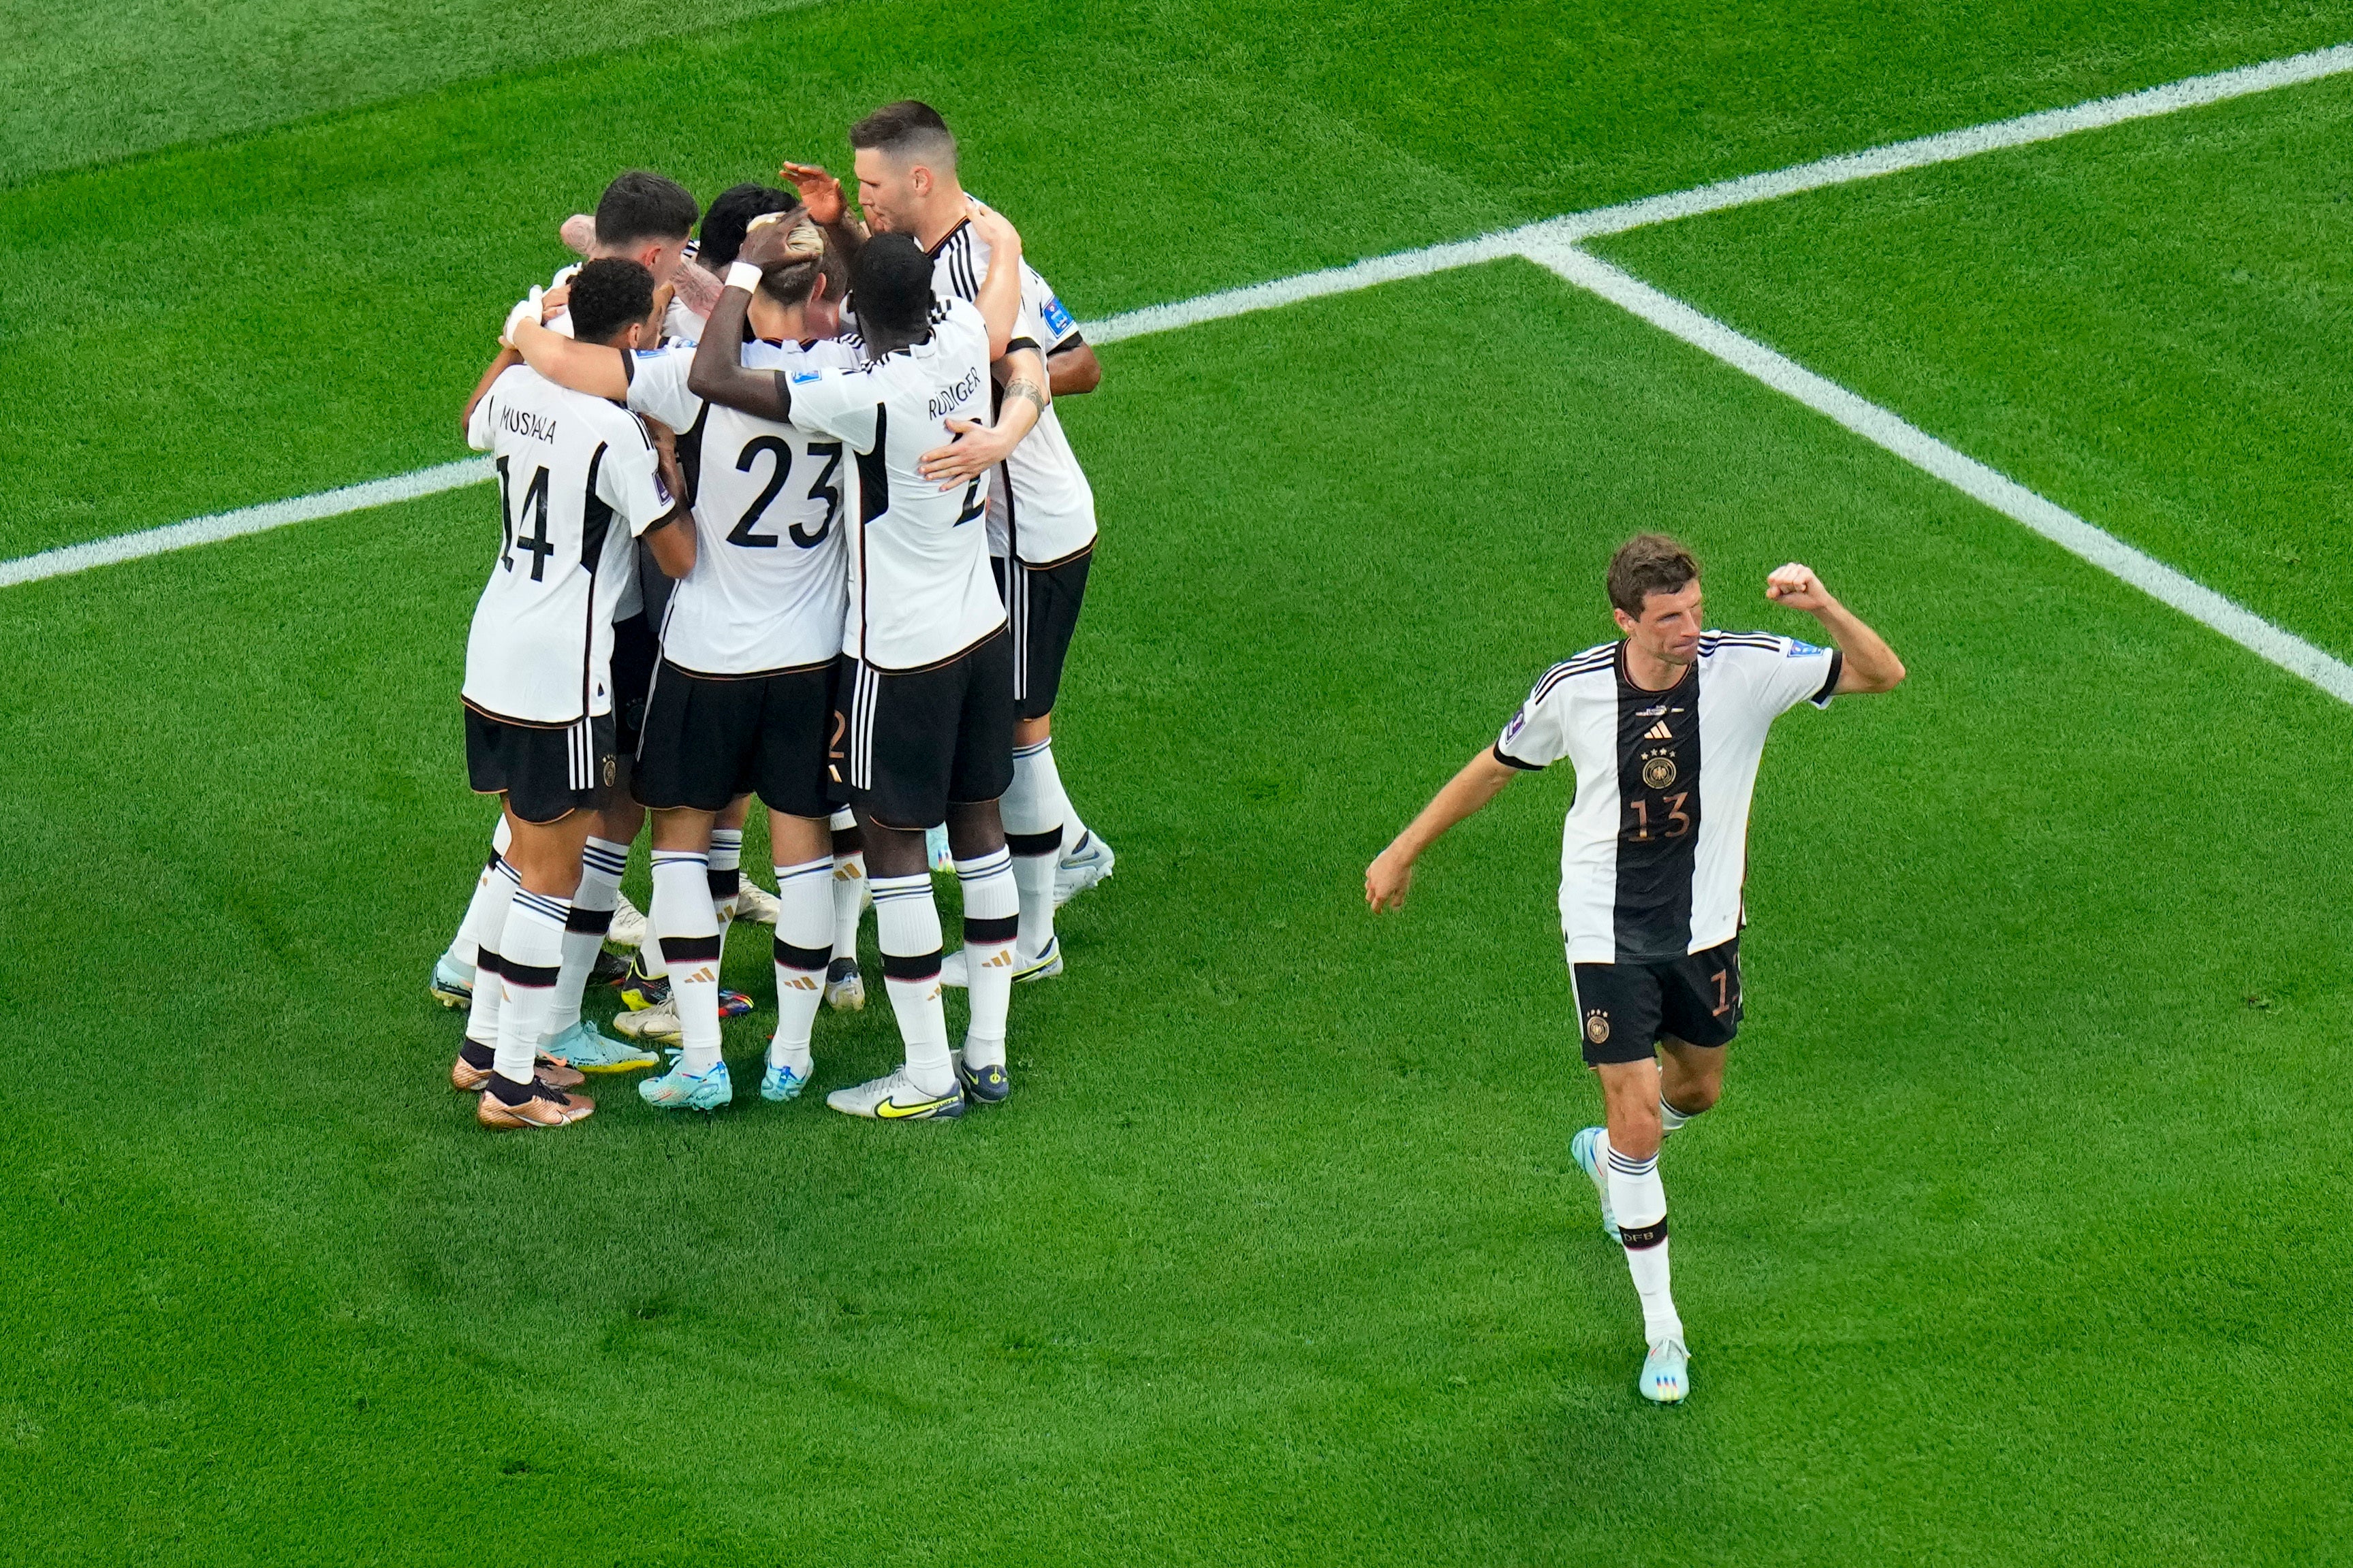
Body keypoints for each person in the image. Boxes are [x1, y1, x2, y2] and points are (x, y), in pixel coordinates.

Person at [1363, 534, 1905, 1401]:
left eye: (1693, 608)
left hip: (1704, 926)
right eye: (1667, 618)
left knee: (1694, 1093)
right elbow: (1496, 767)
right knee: (1638, 1119)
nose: (1689, 627)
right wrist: (1402, 848)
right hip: (1603, 927)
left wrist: (1825, 607)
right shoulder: (1574, 688)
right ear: (1624, 619)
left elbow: (1882, 674)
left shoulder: (1747, 665)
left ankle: (1607, 1158)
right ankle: (1664, 1332)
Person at [691, 208, 1043, 1119]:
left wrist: (739, 273)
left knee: (893, 847)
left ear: (854, 312)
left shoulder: (863, 394)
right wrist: (1012, 425)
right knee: (979, 832)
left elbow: (714, 374)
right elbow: (1029, 354)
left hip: (898, 655)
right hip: (981, 628)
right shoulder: (964, 332)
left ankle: (926, 1074)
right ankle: (988, 1055)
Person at [507, 212, 859, 1109]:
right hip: (811, 652)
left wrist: (522, 325)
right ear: (820, 291)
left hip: (706, 652)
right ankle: (790, 1052)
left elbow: (573, 366)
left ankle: (699, 1057)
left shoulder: (691, 382)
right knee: (803, 846)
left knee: (677, 843)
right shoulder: (851, 372)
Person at [785, 106, 1116, 925]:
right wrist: (836, 228)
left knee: (1015, 722)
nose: (862, 195)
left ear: (918, 179)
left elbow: (1075, 362)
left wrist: (996, 424)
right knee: (1004, 716)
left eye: (868, 185)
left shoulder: (978, 257)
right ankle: (1056, 849)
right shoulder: (935, 255)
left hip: (1029, 528)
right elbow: (898, 302)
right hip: (986, 530)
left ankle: (1046, 904)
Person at [454, 257, 692, 1130]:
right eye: (658, 315)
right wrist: (668, 466)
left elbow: (472, 419)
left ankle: (483, 1045)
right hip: (562, 668)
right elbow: (678, 556)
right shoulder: (611, 428)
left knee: (521, 852)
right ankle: (513, 1085)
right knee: (549, 878)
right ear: (630, 336)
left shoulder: (520, 387)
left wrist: (521, 330)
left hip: (493, 649)